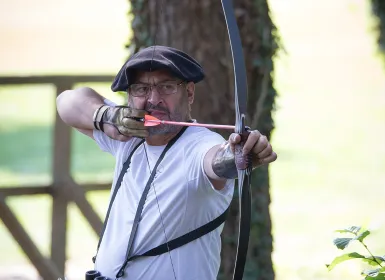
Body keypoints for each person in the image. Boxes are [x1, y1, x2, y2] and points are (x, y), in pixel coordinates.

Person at [56, 45, 277, 280]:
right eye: (141, 89)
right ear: (129, 96)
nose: (153, 99)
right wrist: (105, 116)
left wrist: (240, 154)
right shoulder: (126, 135)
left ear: (189, 93)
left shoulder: (199, 145)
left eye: (167, 87)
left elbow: (217, 160)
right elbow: (66, 101)